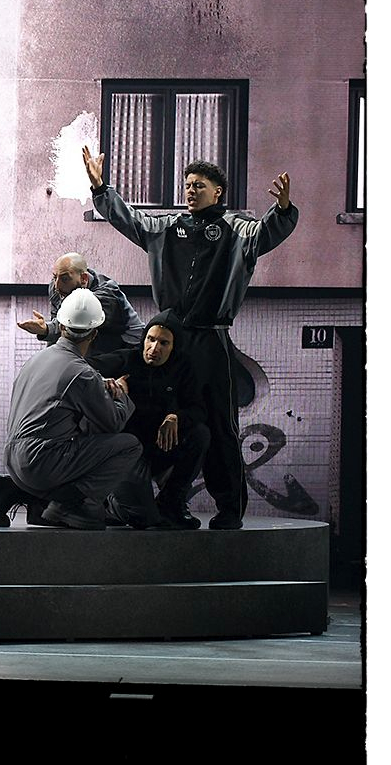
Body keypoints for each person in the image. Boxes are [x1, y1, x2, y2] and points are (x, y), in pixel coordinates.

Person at [84, 147, 299, 529]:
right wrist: (101, 189)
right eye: (187, 185)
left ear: (218, 192)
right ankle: (157, 502)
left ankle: (229, 509)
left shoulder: (238, 229)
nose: (190, 190)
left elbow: (266, 232)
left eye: (199, 185)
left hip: (211, 341)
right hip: (171, 335)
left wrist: (282, 210)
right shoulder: (167, 227)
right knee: (149, 413)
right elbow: (129, 219)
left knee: (220, 426)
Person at [0, 290, 142, 531]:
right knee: (129, 445)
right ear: (95, 333)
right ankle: (71, 505)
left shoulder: (36, 360)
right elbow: (113, 422)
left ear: (61, 326)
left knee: (74, 434)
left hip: (13, 460)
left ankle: (13, 489)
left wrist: (99, 383)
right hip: (39, 464)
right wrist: (122, 394)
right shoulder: (82, 373)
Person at [92, 311, 209, 530]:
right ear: (144, 338)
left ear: (174, 347)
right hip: (129, 451)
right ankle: (112, 503)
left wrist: (176, 417)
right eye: (151, 339)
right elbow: (83, 366)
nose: (154, 349)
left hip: (161, 445)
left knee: (200, 434)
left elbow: (199, 409)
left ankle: (172, 502)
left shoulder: (183, 367)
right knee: (143, 519)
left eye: (163, 343)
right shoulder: (127, 359)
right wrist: (106, 382)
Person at [16, 252, 145, 356]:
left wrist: (46, 329)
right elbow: (59, 327)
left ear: (83, 279)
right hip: (95, 340)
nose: (57, 285)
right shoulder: (57, 287)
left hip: (129, 346)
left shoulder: (107, 294)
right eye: (55, 277)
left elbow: (74, 324)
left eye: (65, 278)